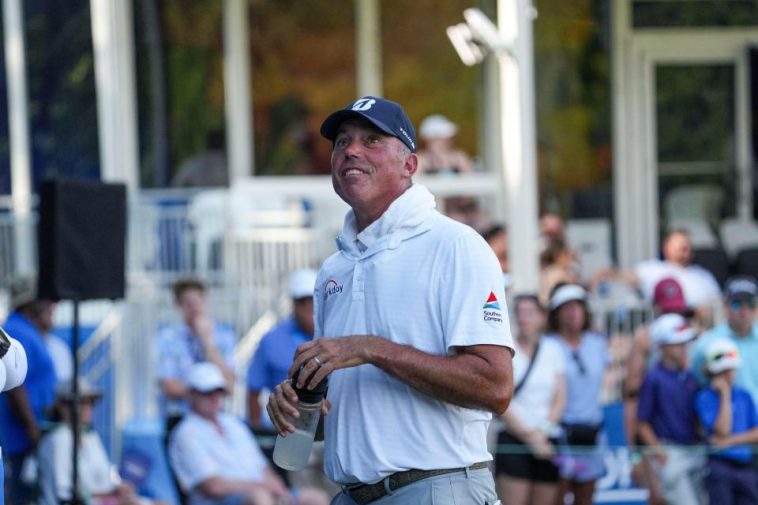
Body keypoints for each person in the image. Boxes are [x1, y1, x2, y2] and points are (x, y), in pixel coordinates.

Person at [267, 96, 514, 504]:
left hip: (436, 487)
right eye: (342, 142)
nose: (351, 150)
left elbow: (495, 386)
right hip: (350, 493)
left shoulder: (455, 245)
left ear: (410, 165)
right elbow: (357, 410)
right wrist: (299, 405)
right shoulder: (334, 270)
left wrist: (372, 348)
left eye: (372, 140)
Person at [169, 362, 329, 505]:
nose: (214, 397)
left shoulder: (233, 424)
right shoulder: (186, 433)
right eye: (206, 392)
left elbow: (262, 466)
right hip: (225, 499)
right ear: (191, 395)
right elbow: (213, 487)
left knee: (316, 498)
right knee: (260, 498)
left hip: (258, 492)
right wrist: (262, 486)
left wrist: (278, 488)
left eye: (218, 391)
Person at [38, 379, 163, 505]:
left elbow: (107, 480)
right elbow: (65, 494)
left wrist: (120, 490)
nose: (88, 408)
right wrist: (112, 494)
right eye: (82, 403)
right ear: (63, 407)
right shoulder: (57, 440)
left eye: (90, 403)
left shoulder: (91, 437)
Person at [495, 295, 565, 505]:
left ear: (542, 317)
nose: (524, 318)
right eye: (520, 312)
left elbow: (560, 396)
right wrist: (529, 436)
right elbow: (500, 398)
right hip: (513, 438)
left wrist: (544, 430)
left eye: (530, 313)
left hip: (547, 439)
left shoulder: (553, 349)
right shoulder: (505, 349)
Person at [544, 284, 609, 505]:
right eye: (566, 307)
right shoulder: (548, 345)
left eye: (577, 306)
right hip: (561, 434)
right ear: (556, 313)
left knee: (586, 498)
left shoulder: (597, 343)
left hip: (591, 432)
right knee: (557, 496)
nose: (573, 312)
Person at [0, 276, 59, 505]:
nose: (53, 305)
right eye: (47, 300)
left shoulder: (24, 329)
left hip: (29, 432)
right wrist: (32, 429)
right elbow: (16, 389)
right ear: (32, 303)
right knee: (20, 495)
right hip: (21, 435)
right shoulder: (19, 330)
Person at [635, 313, 704, 505]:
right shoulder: (654, 377)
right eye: (677, 343)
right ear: (662, 346)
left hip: (696, 450)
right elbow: (642, 422)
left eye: (685, 342)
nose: (683, 347)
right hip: (671, 451)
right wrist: (661, 453)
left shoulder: (691, 375)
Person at [157, 278, 236, 432]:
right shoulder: (167, 338)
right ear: (179, 305)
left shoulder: (224, 336)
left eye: (198, 301)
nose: (194, 308)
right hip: (180, 419)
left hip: (216, 417)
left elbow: (229, 383)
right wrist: (209, 391)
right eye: (188, 303)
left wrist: (207, 341)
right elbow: (169, 387)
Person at [247, 269, 318, 431]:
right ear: (293, 304)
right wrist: (257, 433)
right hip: (289, 428)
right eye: (302, 301)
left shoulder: (336, 333)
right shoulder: (272, 340)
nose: (309, 307)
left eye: (313, 300)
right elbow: (253, 390)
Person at [694, 339, 758, 505]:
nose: (729, 374)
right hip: (719, 467)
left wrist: (729, 441)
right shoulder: (705, 397)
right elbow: (722, 430)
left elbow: (755, 433)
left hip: (745, 466)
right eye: (723, 370)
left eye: (731, 369)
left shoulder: (744, 395)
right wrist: (725, 394)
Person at [690, 276, 758, 406]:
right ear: (726, 306)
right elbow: (695, 381)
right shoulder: (707, 343)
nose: (744, 311)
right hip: (729, 421)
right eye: (737, 304)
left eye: (750, 303)